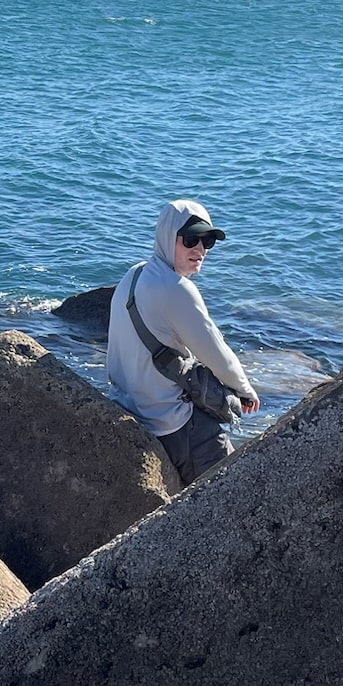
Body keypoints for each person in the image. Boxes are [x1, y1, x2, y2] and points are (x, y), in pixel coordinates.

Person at [106, 199, 261, 485]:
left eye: (207, 242)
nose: (199, 250)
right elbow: (217, 354)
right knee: (230, 491)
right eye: (191, 240)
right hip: (170, 423)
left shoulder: (134, 274)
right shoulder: (177, 290)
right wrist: (245, 391)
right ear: (168, 238)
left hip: (126, 405)